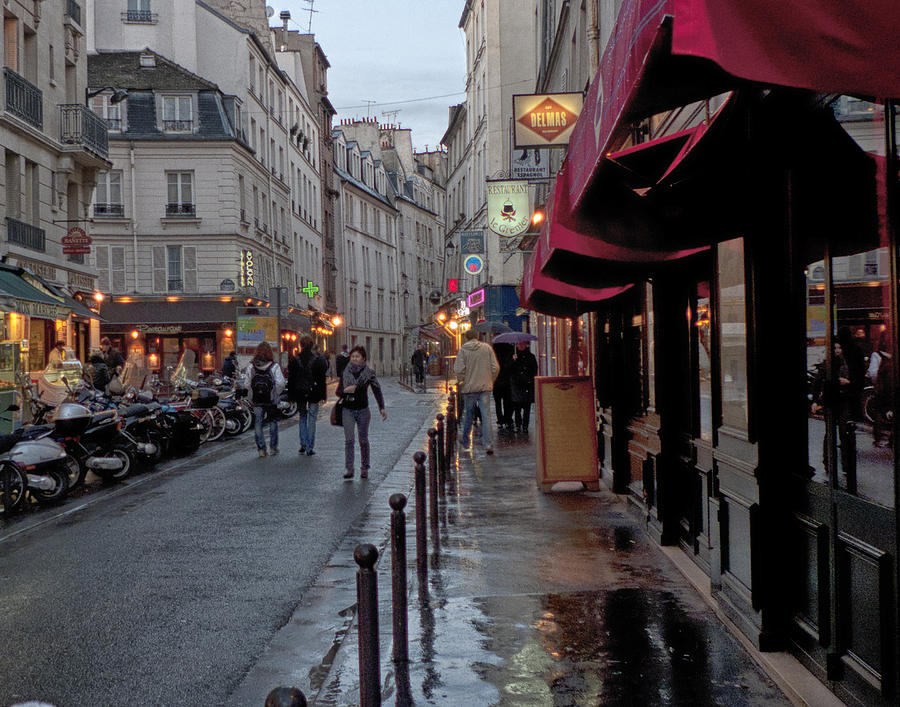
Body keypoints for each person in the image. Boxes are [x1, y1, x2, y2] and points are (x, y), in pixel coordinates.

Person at [337, 345, 386, 479]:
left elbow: (377, 389)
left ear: (363, 358)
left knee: (363, 440)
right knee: (349, 440)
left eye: (357, 356)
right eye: (352, 356)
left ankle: (364, 467)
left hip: (363, 410)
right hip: (348, 409)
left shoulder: (369, 373)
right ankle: (349, 468)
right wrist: (345, 390)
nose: (354, 359)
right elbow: (339, 391)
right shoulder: (345, 372)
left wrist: (381, 407)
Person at [454, 329, 500, 455]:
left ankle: (465, 443)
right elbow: (495, 368)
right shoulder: (487, 348)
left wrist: (462, 380)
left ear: (467, 338)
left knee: (468, 415)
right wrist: (490, 380)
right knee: (486, 416)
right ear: (478, 336)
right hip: (485, 387)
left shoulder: (463, 350)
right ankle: (488, 444)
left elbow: (458, 369)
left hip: (469, 388)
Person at [242, 341, 285, 457]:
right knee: (273, 422)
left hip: (256, 399)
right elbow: (281, 383)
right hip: (270, 399)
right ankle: (273, 448)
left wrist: (251, 393)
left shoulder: (251, 366)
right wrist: (275, 393)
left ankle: (261, 449)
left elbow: (246, 384)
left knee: (258, 422)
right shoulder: (274, 366)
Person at [288, 336, 328, 456]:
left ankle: (303, 443)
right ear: (311, 345)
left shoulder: (295, 360)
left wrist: (291, 395)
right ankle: (310, 447)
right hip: (314, 392)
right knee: (312, 419)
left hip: (300, 392)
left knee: (302, 417)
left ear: (300, 345)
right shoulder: (318, 360)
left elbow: (291, 379)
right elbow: (322, 379)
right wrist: (323, 395)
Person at [867, 331, 893, 447]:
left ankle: (879, 438)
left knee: (879, 412)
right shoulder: (893, 354)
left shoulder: (877, 355)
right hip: (892, 388)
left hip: (882, 389)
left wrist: (877, 384)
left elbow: (873, 373)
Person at [509, 341, 538, 433]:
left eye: (523, 344)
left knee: (527, 407)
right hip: (517, 385)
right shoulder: (514, 356)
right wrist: (513, 361)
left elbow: (534, 369)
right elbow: (509, 369)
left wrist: (530, 379)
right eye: (519, 344)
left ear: (526, 345)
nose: (521, 346)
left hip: (527, 384)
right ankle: (518, 424)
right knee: (517, 406)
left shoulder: (531, 357)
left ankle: (525, 425)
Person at [492, 343, 514, 429]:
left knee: (497, 402)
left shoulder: (493, 351)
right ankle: (507, 418)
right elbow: (510, 366)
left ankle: (500, 420)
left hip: (496, 381)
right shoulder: (510, 350)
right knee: (507, 401)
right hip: (507, 381)